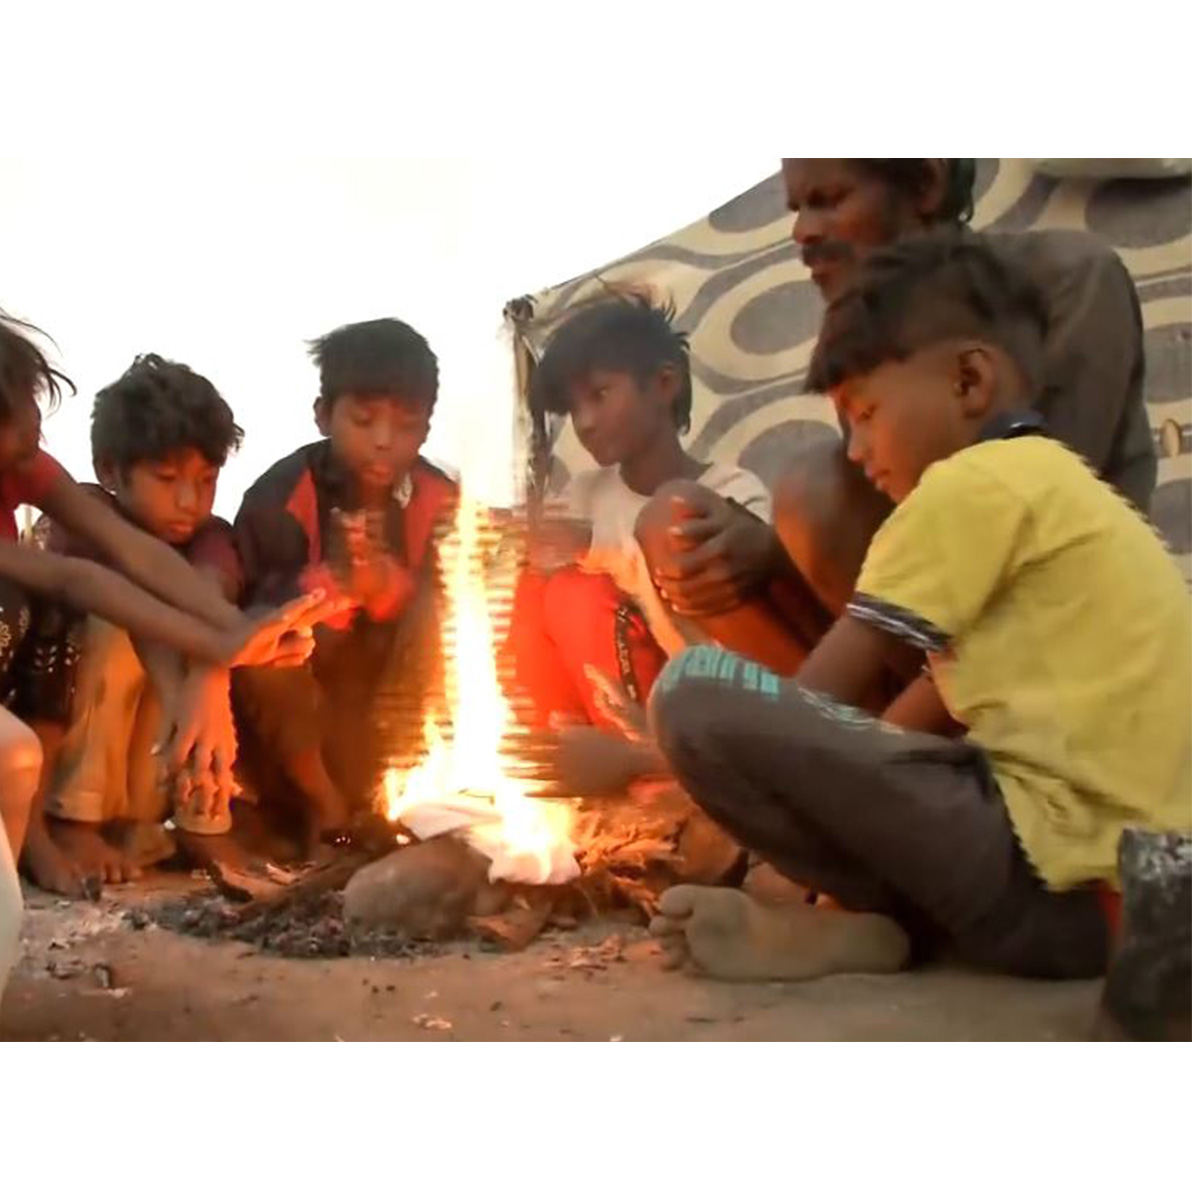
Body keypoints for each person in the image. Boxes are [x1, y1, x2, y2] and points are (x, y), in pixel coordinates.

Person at [646, 231, 1191, 982]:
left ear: (969, 380)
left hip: (1054, 888)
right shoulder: (1061, 488)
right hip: (1135, 904)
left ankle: (858, 914)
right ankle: (860, 928)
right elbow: (896, 727)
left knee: (694, 696)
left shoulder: (966, 488)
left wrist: (741, 802)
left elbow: (816, 708)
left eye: (864, 412)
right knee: (925, 756)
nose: (858, 449)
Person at [0, 285, 337, 896]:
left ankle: (37, 820)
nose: (36, 420)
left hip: (8, 689)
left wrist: (233, 635)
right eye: (17, 409)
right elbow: (76, 576)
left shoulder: (15, 465)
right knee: (5, 600)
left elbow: (128, 549)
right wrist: (227, 646)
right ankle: (28, 831)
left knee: (49, 614)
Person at [653, 159, 1155, 666]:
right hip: (930, 645)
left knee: (813, 493)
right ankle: (860, 732)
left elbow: (1021, 541)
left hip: (1061, 650)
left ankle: (872, 734)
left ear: (927, 183)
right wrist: (770, 552)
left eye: (827, 199)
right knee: (674, 521)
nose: (802, 231)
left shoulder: (1067, 277)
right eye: (797, 209)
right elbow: (897, 521)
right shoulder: (871, 333)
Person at [508, 295, 789, 744]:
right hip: (615, 709)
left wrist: (595, 545)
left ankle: (657, 759)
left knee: (670, 523)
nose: (584, 422)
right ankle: (571, 737)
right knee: (555, 590)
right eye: (573, 408)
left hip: (720, 704)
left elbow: (731, 624)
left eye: (599, 395)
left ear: (663, 384)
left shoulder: (732, 492)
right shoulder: (583, 494)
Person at [232, 318, 456, 851]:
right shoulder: (278, 498)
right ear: (322, 415)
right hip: (305, 725)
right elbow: (247, 622)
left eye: (404, 426)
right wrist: (333, 592)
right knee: (271, 644)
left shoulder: (439, 498)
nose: (384, 441)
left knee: (445, 618)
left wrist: (386, 589)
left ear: (425, 429)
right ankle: (325, 812)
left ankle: (411, 803)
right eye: (363, 420)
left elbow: (453, 617)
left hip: (395, 717)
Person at [43, 353, 247, 883]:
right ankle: (75, 818)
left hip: (152, 754)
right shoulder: (87, 513)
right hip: (64, 711)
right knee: (114, 632)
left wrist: (209, 679)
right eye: (166, 478)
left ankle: (186, 822)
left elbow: (214, 598)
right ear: (111, 471)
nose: (189, 501)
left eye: (206, 480)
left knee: (217, 652)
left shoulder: (211, 535)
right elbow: (125, 596)